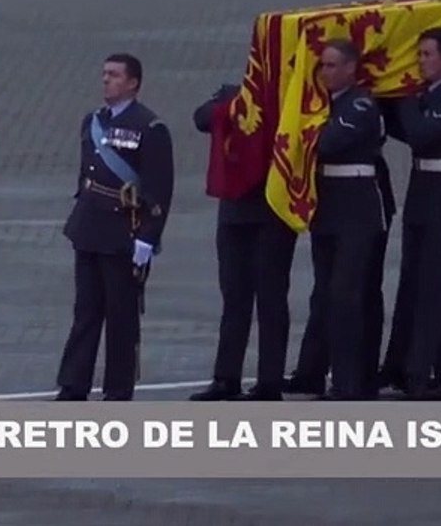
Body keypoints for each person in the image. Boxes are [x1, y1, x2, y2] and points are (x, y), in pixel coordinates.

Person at [55, 53, 174, 401]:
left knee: (121, 317)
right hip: (89, 227)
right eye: (104, 74)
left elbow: (159, 188)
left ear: (133, 83)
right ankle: (73, 384)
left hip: (123, 231)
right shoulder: (93, 121)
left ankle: (118, 390)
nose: (106, 80)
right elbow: (86, 173)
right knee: (85, 312)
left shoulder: (150, 128)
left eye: (114, 75)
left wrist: (148, 237)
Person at [379, 28, 441, 400]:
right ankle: (422, 369)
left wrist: (404, 98)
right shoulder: (429, 97)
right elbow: (406, 131)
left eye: (427, 54)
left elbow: (421, 134)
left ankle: (427, 374)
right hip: (423, 193)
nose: (420, 61)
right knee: (416, 284)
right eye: (419, 54)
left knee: (437, 288)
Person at [188, 83, 299, 402]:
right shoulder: (235, 93)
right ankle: (226, 378)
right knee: (234, 298)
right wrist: (235, 107)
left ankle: (269, 381)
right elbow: (201, 118)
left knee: (271, 299)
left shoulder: (287, 97)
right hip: (234, 211)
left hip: (272, 212)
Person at [308, 38, 391, 400]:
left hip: (357, 210)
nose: (324, 72)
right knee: (328, 293)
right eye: (322, 66)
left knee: (347, 294)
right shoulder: (324, 104)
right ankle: (330, 373)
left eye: (331, 65)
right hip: (328, 207)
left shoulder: (360, 105)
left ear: (350, 68)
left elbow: (327, 142)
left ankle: (349, 381)